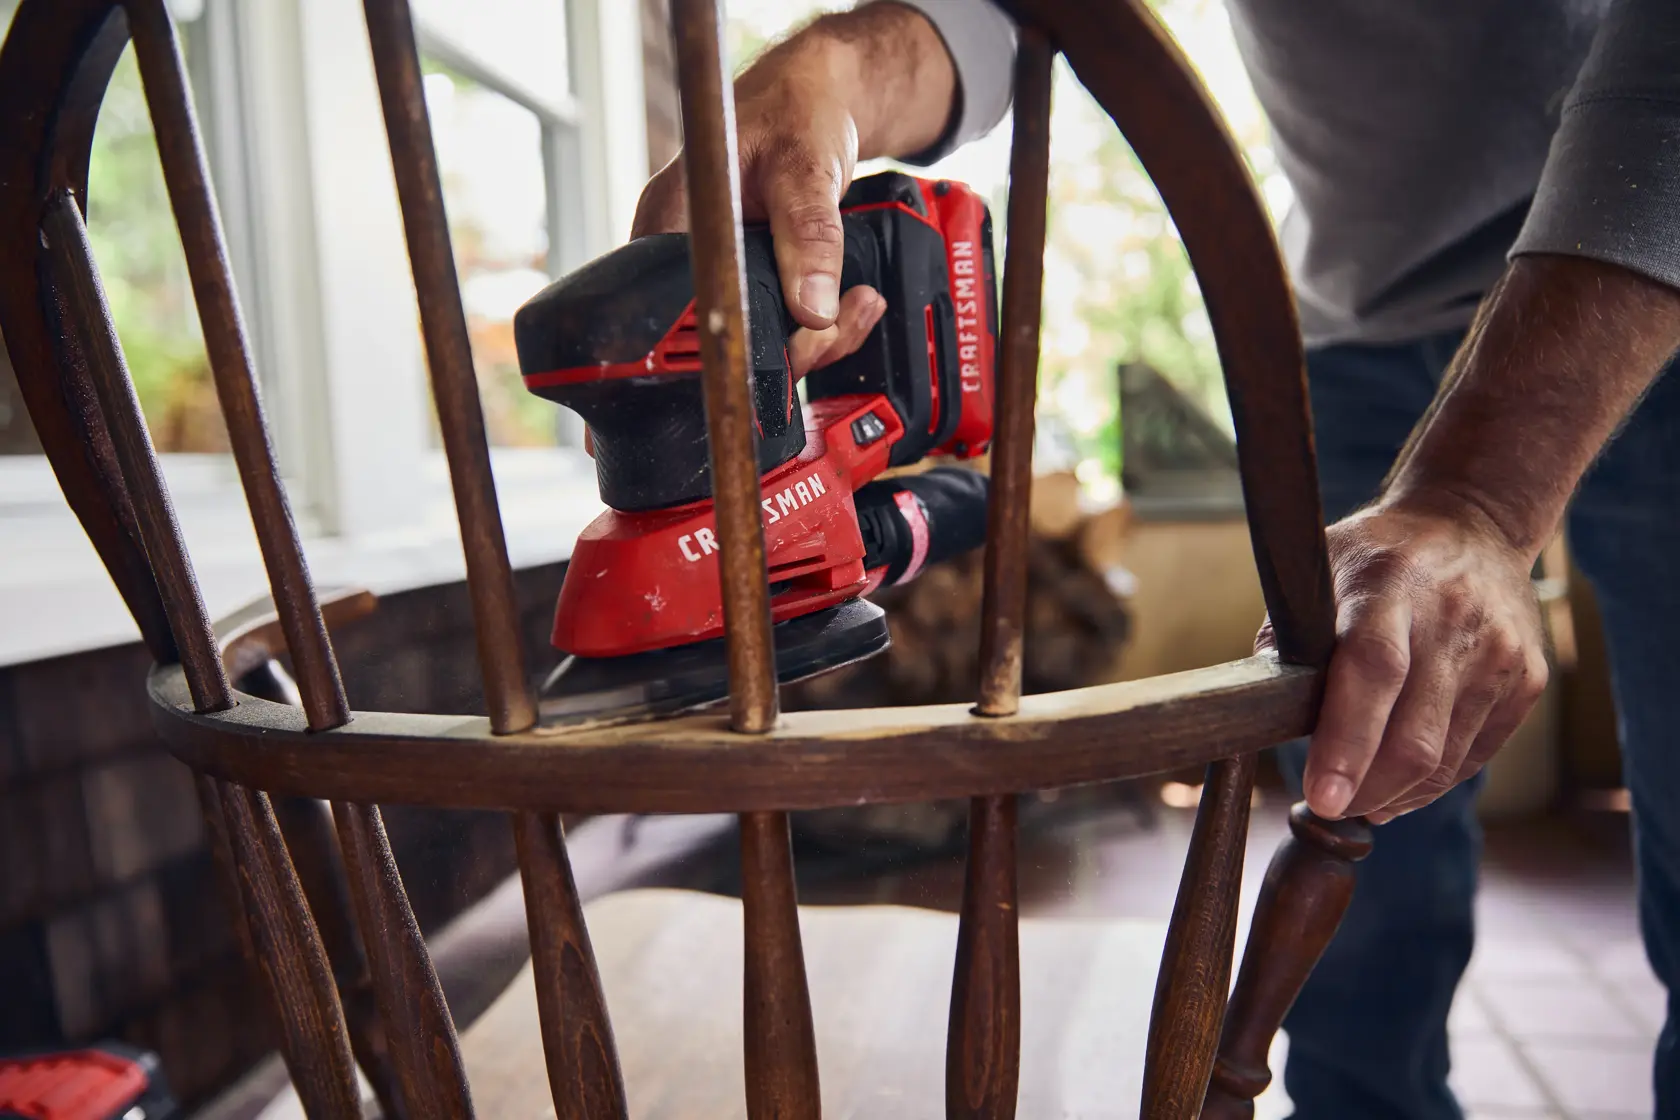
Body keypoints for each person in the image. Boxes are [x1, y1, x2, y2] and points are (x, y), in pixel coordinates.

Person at [632, 1, 1680, 1116]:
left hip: (1648, 270)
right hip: (1357, 325)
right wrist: (840, 67)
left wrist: (1480, 493)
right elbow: (999, 12)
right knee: (1358, 823)